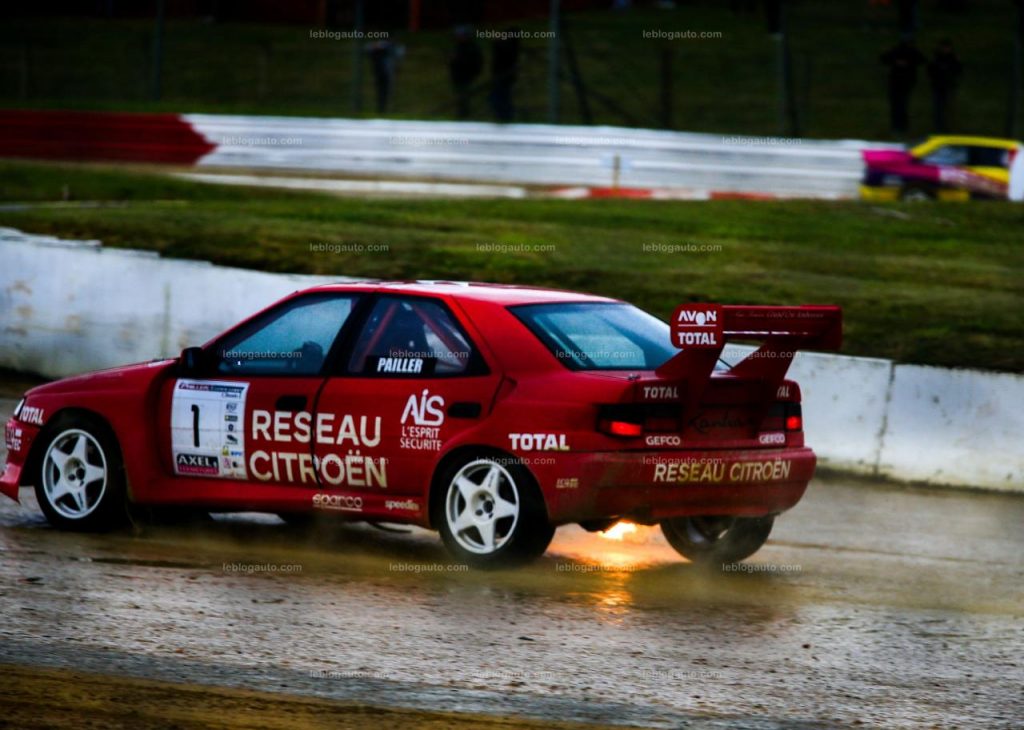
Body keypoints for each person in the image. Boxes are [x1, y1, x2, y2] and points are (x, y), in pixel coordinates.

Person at [880, 39, 926, 137]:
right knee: (897, 105)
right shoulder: (898, 51)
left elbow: (922, 60)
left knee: (901, 105)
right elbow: (884, 59)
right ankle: (898, 127)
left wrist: (908, 62)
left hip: (904, 83)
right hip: (897, 82)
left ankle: (901, 127)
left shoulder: (911, 52)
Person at [928, 38, 962, 133]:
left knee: (950, 109)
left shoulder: (953, 58)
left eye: (947, 48)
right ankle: (939, 128)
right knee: (938, 109)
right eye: (944, 47)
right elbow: (930, 71)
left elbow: (958, 70)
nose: (946, 49)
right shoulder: (936, 58)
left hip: (949, 86)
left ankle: (950, 128)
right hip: (938, 86)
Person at [449, 26, 483, 120]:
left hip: (466, 76)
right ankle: (461, 114)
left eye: (461, 35)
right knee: (460, 96)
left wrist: (457, 60)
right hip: (457, 76)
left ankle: (464, 116)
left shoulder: (471, 48)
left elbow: (474, 63)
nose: (459, 37)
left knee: (464, 97)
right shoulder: (458, 47)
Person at [490, 31, 520, 123]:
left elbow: (503, 56)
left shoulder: (508, 47)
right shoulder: (511, 47)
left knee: (500, 97)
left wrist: (497, 43)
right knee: (501, 97)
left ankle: (505, 116)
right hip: (503, 76)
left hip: (504, 77)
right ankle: (504, 116)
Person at [367, 38, 403, 114]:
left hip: (387, 72)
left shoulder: (390, 47)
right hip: (379, 72)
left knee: (387, 91)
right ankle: (381, 109)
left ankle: (386, 108)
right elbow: (368, 49)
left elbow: (399, 52)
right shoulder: (376, 48)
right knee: (381, 91)